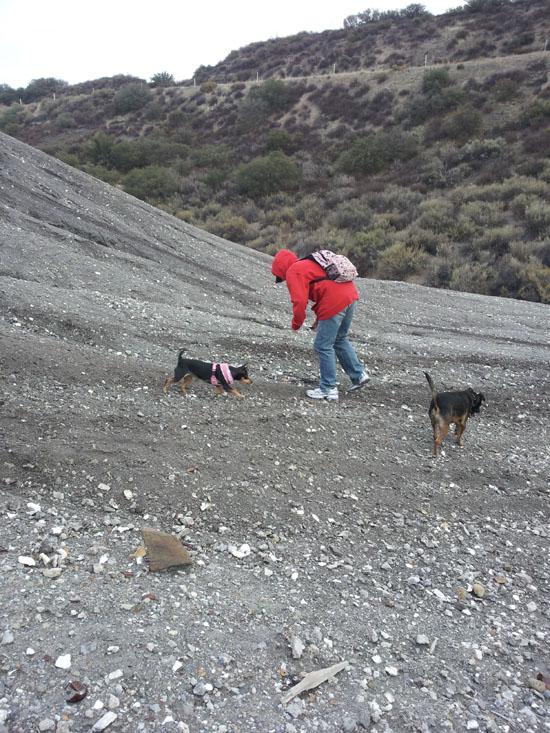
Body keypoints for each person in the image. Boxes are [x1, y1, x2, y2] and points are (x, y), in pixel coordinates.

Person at [271, 249, 369, 401]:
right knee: (339, 338)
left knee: (322, 345)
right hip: (350, 296)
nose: (283, 279)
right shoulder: (309, 264)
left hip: (335, 301)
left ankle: (328, 388)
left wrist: (296, 324)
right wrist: (319, 319)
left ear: (281, 268)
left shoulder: (293, 271)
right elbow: (325, 287)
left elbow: (299, 301)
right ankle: (358, 375)